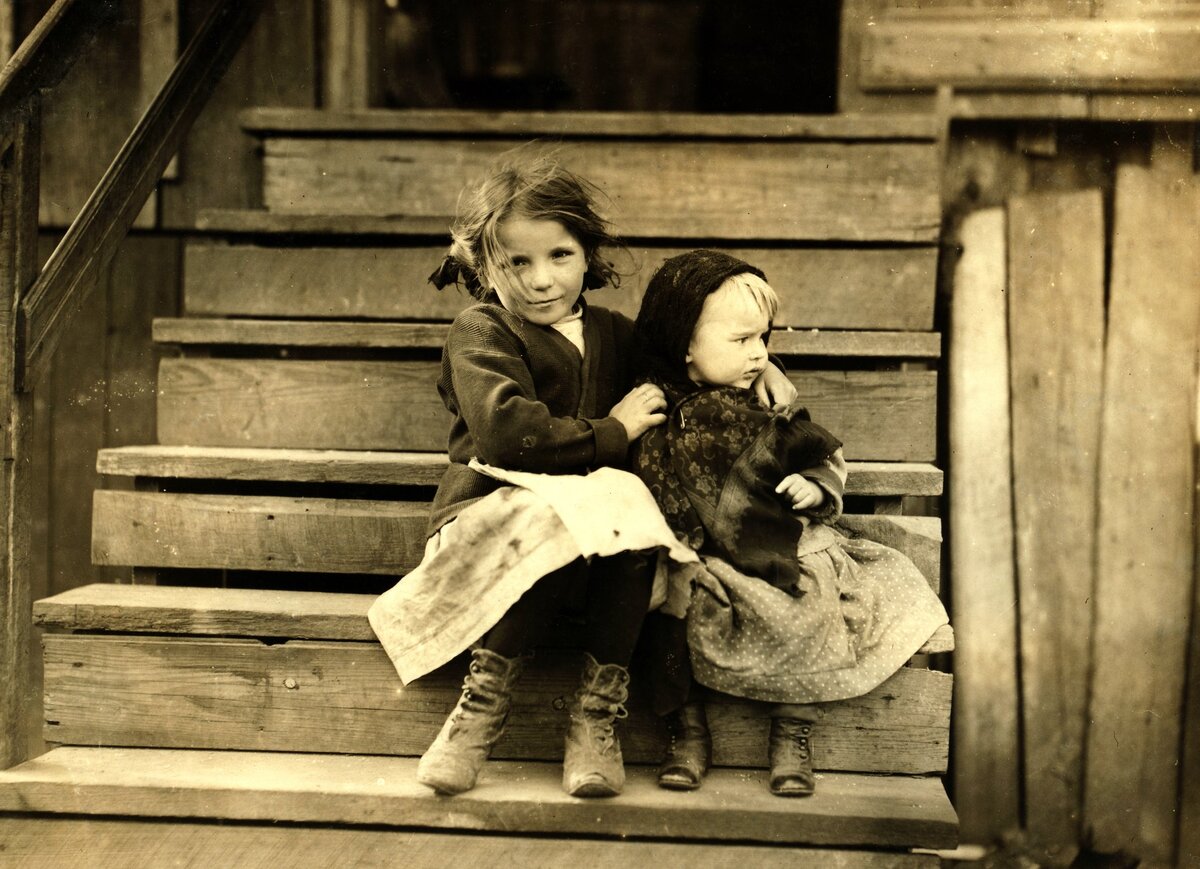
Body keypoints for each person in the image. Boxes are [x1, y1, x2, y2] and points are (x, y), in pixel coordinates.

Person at [367, 155, 796, 800]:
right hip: (493, 523)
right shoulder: (482, 330)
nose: (542, 281)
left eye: (560, 256)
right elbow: (509, 434)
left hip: (595, 545)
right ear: (485, 265)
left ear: (587, 255)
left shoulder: (614, 334)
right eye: (518, 262)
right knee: (586, 511)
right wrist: (615, 430)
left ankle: (595, 719)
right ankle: (479, 711)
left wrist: (762, 366)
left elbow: (693, 355)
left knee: (629, 523)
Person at [630, 249, 949, 797]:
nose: (757, 355)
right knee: (665, 607)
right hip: (697, 551)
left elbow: (818, 454)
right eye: (741, 341)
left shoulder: (763, 405)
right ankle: (686, 733)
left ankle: (792, 732)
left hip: (777, 546)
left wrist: (816, 484)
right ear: (683, 342)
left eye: (765, 340)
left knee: (808, 598)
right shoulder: (654, 402)